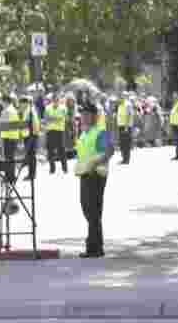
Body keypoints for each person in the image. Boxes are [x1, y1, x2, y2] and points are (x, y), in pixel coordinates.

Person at [75, 101, 111, 258]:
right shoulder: (84, 133)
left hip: (96, 175)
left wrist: (94, 163)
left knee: (93, 211)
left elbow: (109, 151)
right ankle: (95, 245)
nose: (83, 117)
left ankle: (94, 247)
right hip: (85, 174)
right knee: (88, 209)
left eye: (86, 114)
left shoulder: (100, 131)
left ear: (94, 116)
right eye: (82, 114)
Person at [45, 96, 69, 174]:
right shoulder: (48, 108)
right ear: (52, 100)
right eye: (54, 100)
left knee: (61, 150)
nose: (55, 102)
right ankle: (52, 169)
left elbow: (62, 118)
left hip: (59, 131)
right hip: (50, 131)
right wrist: (55, 119)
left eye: (57, 100)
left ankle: (65, 168)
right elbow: (46, 118)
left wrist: (52, 118)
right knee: (50, 151)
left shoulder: (63, 108)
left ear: (59, 101)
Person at [115, 93, 134, 164]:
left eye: (122, 96)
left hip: (126, 126)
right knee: (122, 143)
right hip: (121, 125)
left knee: (126, 143)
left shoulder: (128, 104)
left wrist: (126, 126)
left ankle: (126, 159)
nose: (120, 97)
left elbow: (129, 115)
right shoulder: (120, 104)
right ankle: (124, 158)